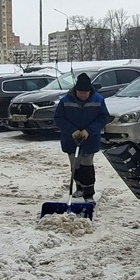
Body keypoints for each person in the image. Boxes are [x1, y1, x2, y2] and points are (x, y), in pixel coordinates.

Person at [53, 73, 110, 202]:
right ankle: (79, 187)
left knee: (87, 166)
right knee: (75, 165)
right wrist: (72, 131)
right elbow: (58, 118)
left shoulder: (98, 100)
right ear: (76, 90)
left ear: (90, 91)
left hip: (90, 139)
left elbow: (103, 118)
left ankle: (88, 193)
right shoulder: (65, 101)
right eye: (80, 92)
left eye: (85, 92)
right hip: (70, 139)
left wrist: (89, 131)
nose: (83, 95)